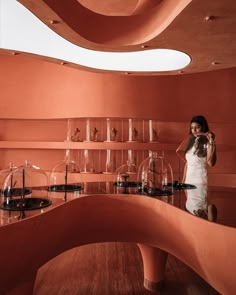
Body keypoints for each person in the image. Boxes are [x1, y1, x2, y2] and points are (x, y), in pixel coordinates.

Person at [176, 115, 217, 222]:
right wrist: (183, 181)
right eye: (192, 127)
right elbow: (187, 163)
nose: (194, 130)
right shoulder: (190, 141)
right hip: (188, 181)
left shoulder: (207, 142)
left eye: (197, 127)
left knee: (199, 212)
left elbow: (211, 163)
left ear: (203, 127)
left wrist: (212, 142)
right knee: (190, 212)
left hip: (199, 181)